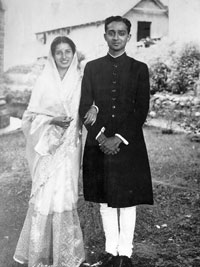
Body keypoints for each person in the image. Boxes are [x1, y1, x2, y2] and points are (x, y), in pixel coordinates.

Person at [79, 16, 153, 267]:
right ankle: (111, 251)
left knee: (127, 200)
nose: (116, 37)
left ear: (129, 37)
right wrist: (101, 137)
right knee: (105, 199)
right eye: (111, 32)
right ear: (105, 36)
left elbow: (141, 109)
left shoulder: (139, 68)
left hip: (128, 144)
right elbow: (84, 107)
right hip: (99, 144)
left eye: (121, 33)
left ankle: (126, 254)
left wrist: (118, 138)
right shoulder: (92, 68)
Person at [13, 36, 88, 267]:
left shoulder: (82, 81)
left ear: (74, 54)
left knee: (65, 197)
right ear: (52, 55)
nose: (64, 56)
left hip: (70, 148)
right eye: (59, 52)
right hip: (47, 149)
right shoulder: (43, 81)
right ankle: (39, 255)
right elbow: (29, 117)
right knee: (45, 198)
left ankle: (66, 255)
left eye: (68, 52)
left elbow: (88, 113)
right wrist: (51, 120)